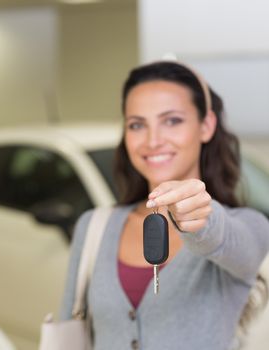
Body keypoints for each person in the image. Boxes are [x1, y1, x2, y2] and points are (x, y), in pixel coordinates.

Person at [60, 61, 269, 349]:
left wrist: (201, 220)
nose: (153, 140)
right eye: (137, 124)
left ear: (206, 126)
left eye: (172, 120)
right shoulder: (93, 225)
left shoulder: (248, 226)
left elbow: (230, 241)